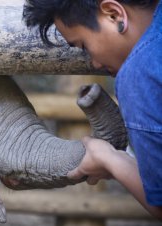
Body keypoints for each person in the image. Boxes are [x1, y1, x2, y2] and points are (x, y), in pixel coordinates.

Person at [22, 0, 162, 219]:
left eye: (84, 46)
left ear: (114, 14)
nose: (94, 64)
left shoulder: (139, 76)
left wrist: (110, 160)